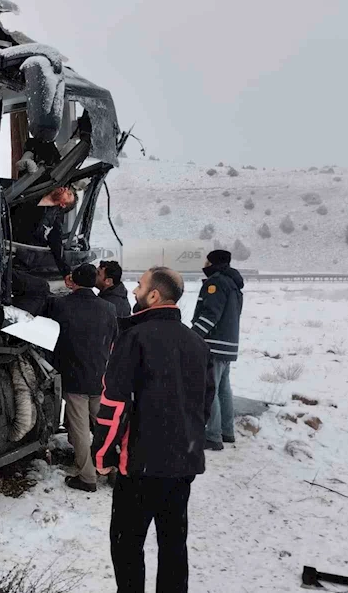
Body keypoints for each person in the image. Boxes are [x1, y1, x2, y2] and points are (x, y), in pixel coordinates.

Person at [93, 267, 215, 593]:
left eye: (139, 285)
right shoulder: (197, 344)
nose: (133, 291)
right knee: (174, 547)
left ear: (154, 296)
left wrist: (102, 453)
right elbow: (203, 408)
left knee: (127, 546)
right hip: (181, 467)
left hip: (140, 469)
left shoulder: (133, 339)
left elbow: (114, 406)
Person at [45, 263, 118, 492]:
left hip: (74, 375)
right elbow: (114, 337)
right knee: (103, 426)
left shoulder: (61, 305)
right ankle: (114, 468)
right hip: (100, 375)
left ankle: (87, 477)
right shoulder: (108, 308)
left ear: (72, 281)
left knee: (79, 429)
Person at [192, 249, 245, 451]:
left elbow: (210, 314)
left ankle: (212, 436)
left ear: (212, 263)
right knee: (223, 389)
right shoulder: (233, 285)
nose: (204, 264)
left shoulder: (216, 283)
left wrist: (193, 336)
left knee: (210, 390)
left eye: (206, 261)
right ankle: (226, 431)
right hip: (228, 344)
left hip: (213, 345)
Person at [10, 186, 76, 276]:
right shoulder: (40, 187)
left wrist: (66, 272)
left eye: (68, 194)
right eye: (67, 189)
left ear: (63, 204)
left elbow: (56, 246)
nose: (65, 190)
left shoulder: (52, 221)